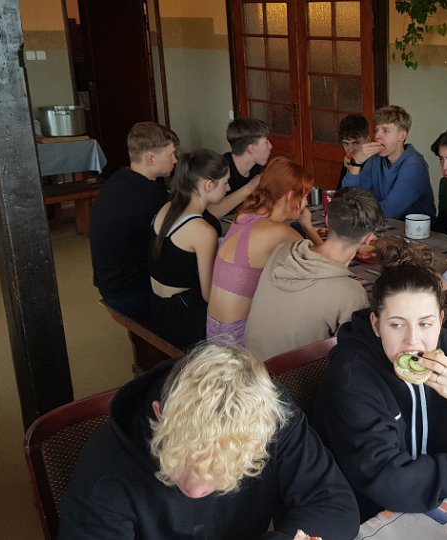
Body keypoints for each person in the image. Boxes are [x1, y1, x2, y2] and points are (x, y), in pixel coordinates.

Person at [59, 344, 359, 539]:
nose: (196, 489)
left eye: (221, 474)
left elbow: (333, 503)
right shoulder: (106, 476)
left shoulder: (270, 418)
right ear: (160, 415)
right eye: (183, 459)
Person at [313, 239, 447, 522]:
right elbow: (388, 479)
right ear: (376, 324)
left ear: (441, 319)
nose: (412, 341)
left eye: (425, 323)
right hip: (374, 516)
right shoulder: (352, 379)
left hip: (443, 497)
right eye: (397, 324)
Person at [245, 188, 385, 360]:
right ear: (368, 238)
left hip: (251, 364)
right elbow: (354, 354)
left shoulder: (282, 251)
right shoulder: (351, 293)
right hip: (294, 375)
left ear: (327, 220)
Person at [206, 157, 323, 347]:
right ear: (290, 196)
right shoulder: (278, 232)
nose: (305, 203)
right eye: (304, 196)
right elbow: (327, 262)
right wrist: (308, 226)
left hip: (213, 330)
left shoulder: (244, 215)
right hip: (238, 337)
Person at [90, 122, 181, 317]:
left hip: (108, 284)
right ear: (150, 158)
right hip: (129, 293)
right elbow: (187, 223)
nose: (175, 160)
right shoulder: (149, 196)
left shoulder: (120, 177)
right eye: (171, 154)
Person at [148, 150, 229, 349]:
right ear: (208, 185)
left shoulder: (168, 207)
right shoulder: (203, 231)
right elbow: (209, 295)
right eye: (225, 183)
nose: (228, 188)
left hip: (157, 304)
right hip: (182, 316)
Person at [341, 105, 435, 219]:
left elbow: (389, 211)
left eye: (385, 131)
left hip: (415, 228)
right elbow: (349, 199)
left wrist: (361, 207)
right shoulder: (375, 159)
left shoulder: (414, 165)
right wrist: (356, 163)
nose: (377, 136)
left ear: (402, 135)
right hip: (382, 224)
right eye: (376, 130)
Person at [224, 117, 272, 193]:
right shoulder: (220, 171)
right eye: (266, 142)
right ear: (251, 149)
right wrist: (251, 186)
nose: (271, 146)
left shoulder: (257, 168)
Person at [338, 114, 368, 189]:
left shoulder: (375, 165)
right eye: (346, 143)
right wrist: (349, 170)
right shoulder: (349, 162)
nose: (351, 150)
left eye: (356, 143)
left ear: (367, 140)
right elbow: (340, 192)